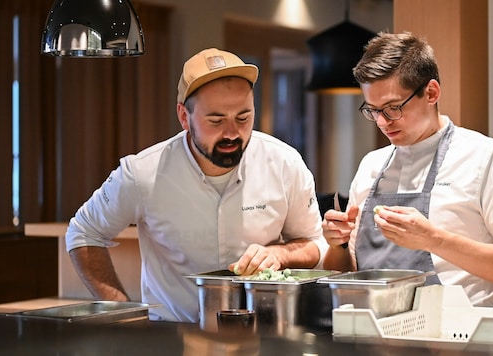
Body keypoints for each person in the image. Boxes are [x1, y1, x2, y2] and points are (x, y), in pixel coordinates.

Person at [65, 48, 328, 322]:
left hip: (264, 334)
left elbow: (315, 244)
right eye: (215, 120)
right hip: (171, 336)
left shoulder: (284, 163)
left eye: (243, 117)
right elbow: (83, 233)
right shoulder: (143, 172)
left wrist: (279, 254)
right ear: (184, 116)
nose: (231, 133)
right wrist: (123, 315)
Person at [322, 32, 493, 307]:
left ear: (431, 92)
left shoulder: (486, 158)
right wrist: (336, 244)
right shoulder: (371, 164)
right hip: (371, 339)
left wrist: (433, 239)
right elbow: (347, 274)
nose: (382, 122)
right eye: (373, 110)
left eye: (393, 108)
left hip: (456, 341)